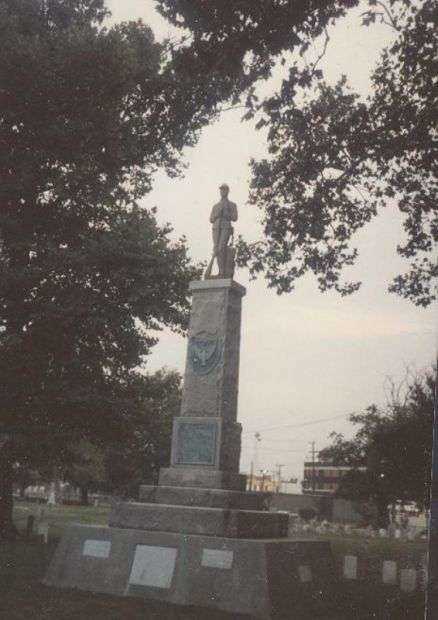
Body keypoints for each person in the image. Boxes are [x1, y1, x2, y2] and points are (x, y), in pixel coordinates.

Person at [205, 183, 238, 278]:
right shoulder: (216, 206)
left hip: (226, 227)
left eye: (224, 190)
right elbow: (211, 219)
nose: (223, 191)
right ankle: (221, 272)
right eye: (221, 190)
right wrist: (217, 215)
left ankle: (223, 272)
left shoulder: (232, 204)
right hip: (216, 227)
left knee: (221, 248)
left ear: (228, 191)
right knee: (216, 248)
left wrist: (226, 214)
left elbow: (235, 218)